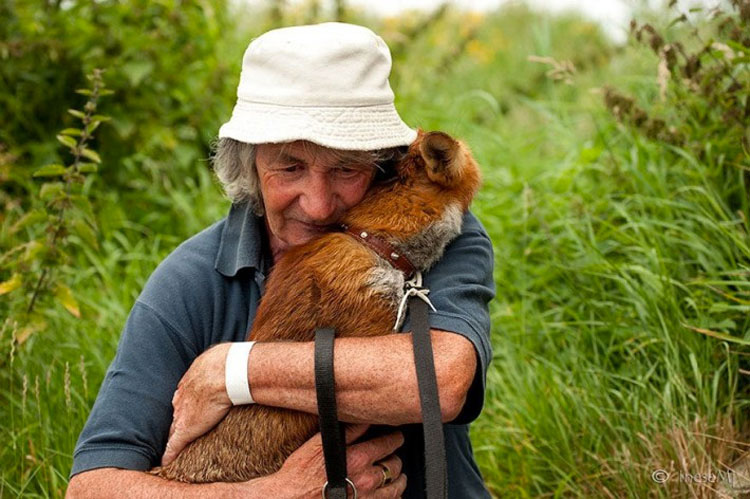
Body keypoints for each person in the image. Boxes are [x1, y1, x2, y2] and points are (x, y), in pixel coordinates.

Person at [66, 22, 495, 498]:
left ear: (385, 164)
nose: (317, 204)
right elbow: (92, 487)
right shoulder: (191, 279)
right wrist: (267, 495)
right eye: (290, 167)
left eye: (347, 170)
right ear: (249, 162)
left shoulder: (428, 240)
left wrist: (233, 371)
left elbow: (438, 380)